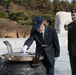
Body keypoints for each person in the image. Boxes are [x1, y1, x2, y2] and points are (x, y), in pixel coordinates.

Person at [68, 9, 76, 75]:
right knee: (73, 69)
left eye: (73, 15)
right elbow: (69, 38)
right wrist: (69, 49)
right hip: (72, 51)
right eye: (71, 15)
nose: (72, 16)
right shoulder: (70, 25)